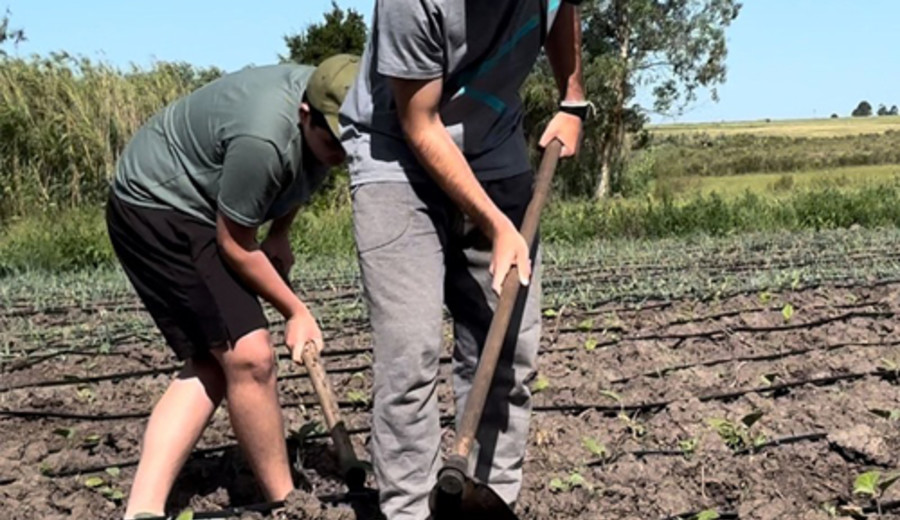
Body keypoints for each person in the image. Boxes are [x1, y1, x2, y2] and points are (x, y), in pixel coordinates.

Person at [338, 1, 587, 518]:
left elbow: (565, 8)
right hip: (395, 156)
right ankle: (411, 511)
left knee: (509, 351)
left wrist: (573, 98)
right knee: (410, 357)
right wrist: (498, 225)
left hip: (493, 145)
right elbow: (419, 123)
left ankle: (490, 502)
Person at [105, 54, 360, 519]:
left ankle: (142, 510)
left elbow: (302, 170)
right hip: (157, 202)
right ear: (306, 115)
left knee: (213, 360)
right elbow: (236, 243)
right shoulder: (263, 137)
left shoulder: (333, 105)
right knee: (250, 356)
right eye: (335, 141)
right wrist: (295, 311)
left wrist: (280, 231)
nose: (342, 153)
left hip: (192, 202)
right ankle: (288, 506)